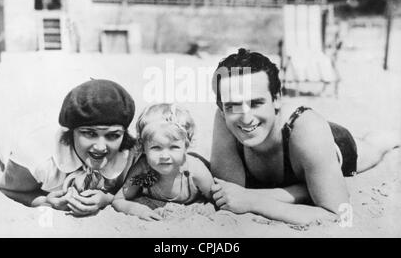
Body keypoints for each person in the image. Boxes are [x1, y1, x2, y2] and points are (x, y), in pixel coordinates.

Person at [210, 48, 400, 225]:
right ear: (221, 107)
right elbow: (229, 193)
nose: (246, 117)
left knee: (376, 146)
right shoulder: (225, 118)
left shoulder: (307, 130)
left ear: (276, 99)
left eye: (256, 103)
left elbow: (339, 213)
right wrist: (300, 192)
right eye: (232, 105)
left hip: (328, 143)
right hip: (302, 153)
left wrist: (254, 202)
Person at [0, 79, 139, 217]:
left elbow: (134, 191)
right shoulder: (37, 154)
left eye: (113, 135)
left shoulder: (131, 153)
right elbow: (9, 190)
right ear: (71, 132)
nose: (101, 147)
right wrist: (44, 201)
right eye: (89, 133)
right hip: (27, 128)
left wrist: (106, 199)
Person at [113, 103, 214, 221]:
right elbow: (119, 199)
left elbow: (217, 200)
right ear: (142, 147)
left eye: (174, 147)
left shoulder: (195, 171)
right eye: (156, 147)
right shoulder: (143, 169)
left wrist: (209, 207)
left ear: (186, 145)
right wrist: (137, 210)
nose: (165, 156)